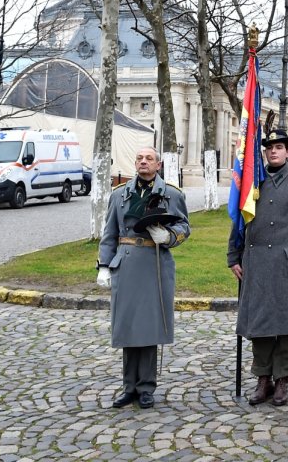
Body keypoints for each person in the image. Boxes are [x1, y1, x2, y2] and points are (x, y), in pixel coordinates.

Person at [96, 147, 190, 409]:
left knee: (148, 327)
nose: (143, 162)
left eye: (149, 158)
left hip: (154, 262)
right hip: (125, 265)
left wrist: (168, 237)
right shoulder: (119, 195)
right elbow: (109, 233)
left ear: (158, 164)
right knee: (127, 327)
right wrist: (104, 265)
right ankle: (129, 387)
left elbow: (184, 227)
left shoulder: (171, 194)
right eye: (139, 158)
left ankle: (147, 387)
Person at [229, 129, 288, 407]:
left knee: (287, 323)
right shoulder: (254, 182)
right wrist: (233, 255)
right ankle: (263, 378)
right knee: (260, 322)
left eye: (279, 147)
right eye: (269, 148)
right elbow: (239, 220)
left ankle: (283, 380)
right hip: (256, 262)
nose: (273, 151)